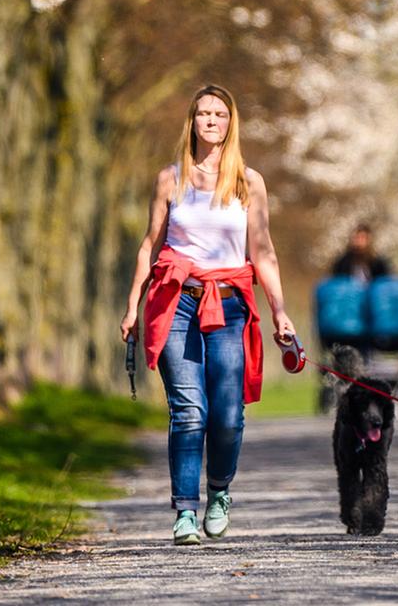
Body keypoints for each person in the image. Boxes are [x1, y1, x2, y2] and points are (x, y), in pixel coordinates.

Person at [120, 84, 297, 546]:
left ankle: (219, 491)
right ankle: (184, 509)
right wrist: (132, 306)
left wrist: (280, 311)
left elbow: (263, 251)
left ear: (230, 122)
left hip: (232, 303)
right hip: (176, 299)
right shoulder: (170, 178)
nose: (211, 121)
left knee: (227, 414)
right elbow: (149, 245)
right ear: (192, 121)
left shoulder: (248, 182)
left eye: (220, 114)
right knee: (189, 411)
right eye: (203, 114)